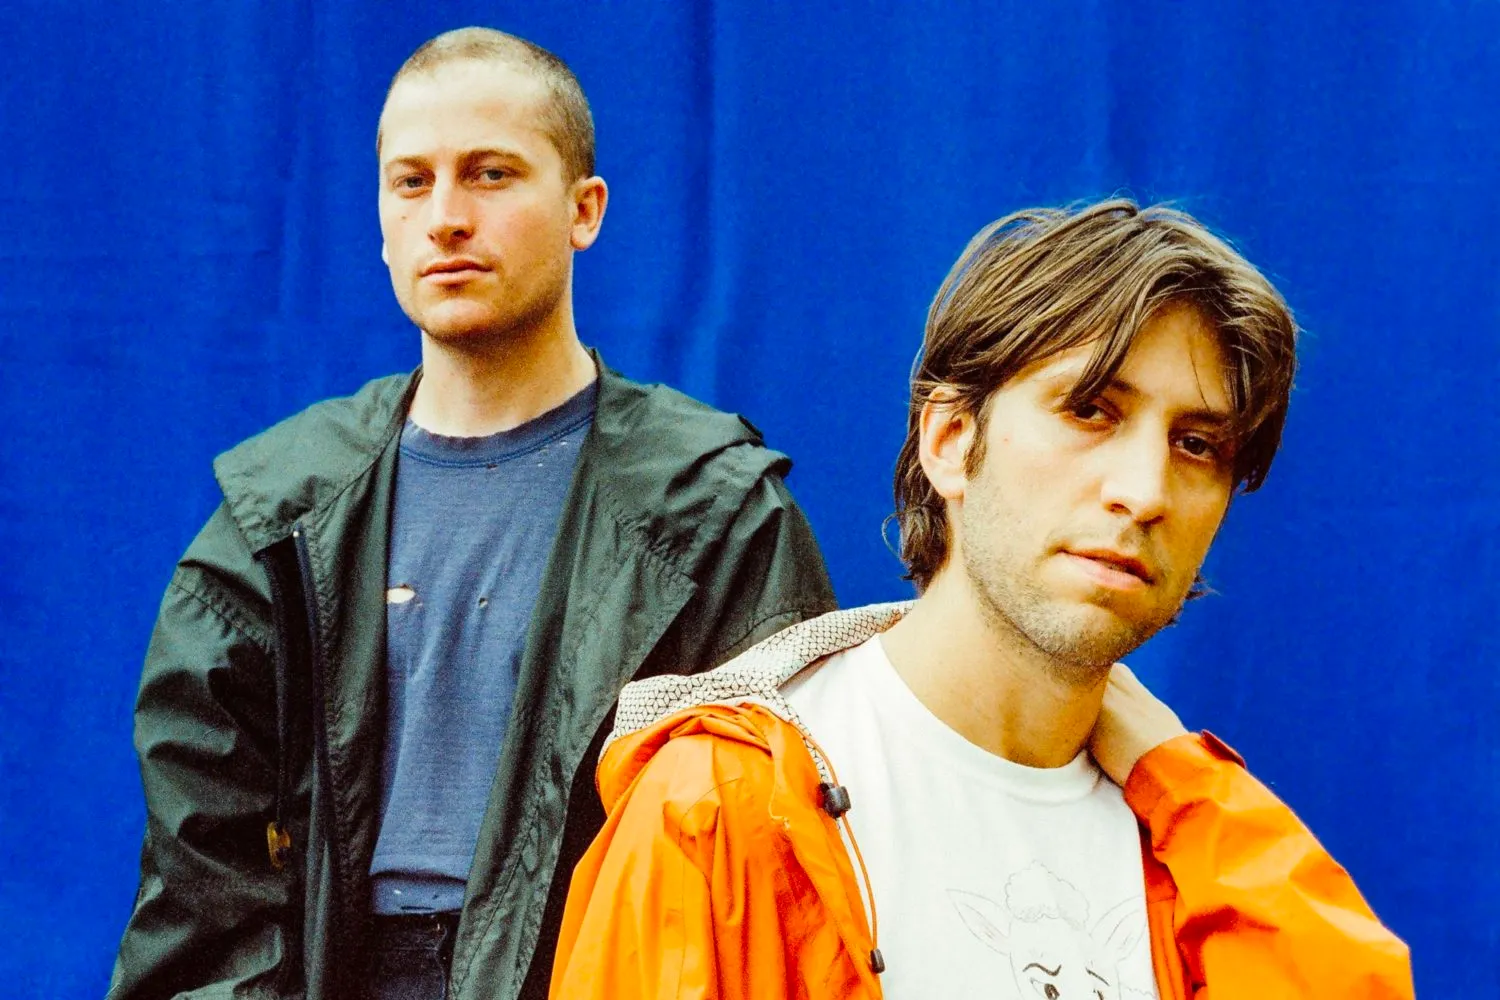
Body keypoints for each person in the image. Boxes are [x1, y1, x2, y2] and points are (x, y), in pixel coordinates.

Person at [108, 26, 835, 1000]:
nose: (446, 218)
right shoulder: (278, 523)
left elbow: (777, 869)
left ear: (585, 210)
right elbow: (205, 898)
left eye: (491, 175)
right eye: (411, 182)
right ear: (380, 221)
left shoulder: (712, 515)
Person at [549, 200, 1415, 999]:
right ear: (952, 439)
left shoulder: (1184, 839)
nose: (1145, 490)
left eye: (1197, 444)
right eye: (1090, 410)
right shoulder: (719, 805)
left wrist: (1186, 784)